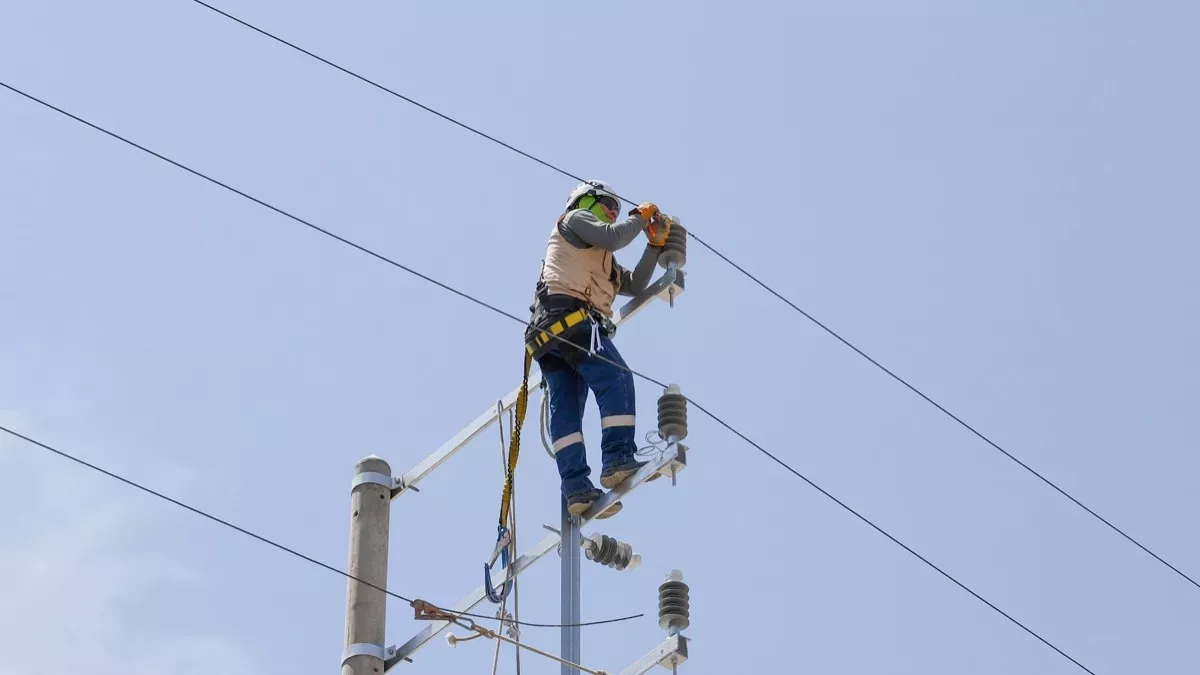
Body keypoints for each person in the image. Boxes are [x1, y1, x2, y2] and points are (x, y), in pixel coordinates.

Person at [525, 180, 671, 518]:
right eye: (607, 203)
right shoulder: (574, 220)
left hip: (550, 336)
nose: (612, 211)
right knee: (616, 378)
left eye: (617, 208)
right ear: (584, 200)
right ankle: (618, 458)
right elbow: (615, 236)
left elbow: (635, 284)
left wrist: (654, 246)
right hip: (572, 321)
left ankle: (576, 488)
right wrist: (639, 217)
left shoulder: (600, 259)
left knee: (568, 410)